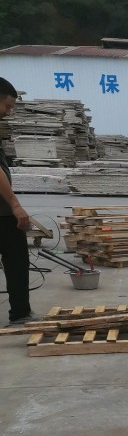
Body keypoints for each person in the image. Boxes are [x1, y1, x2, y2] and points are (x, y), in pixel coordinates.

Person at [0, 77, 34, 324]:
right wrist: (15, 204)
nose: (8, 112)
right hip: (2, 213)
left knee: (16, 260)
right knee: (16, 260)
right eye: (7, 106)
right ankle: (20, 313)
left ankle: (21, 312)